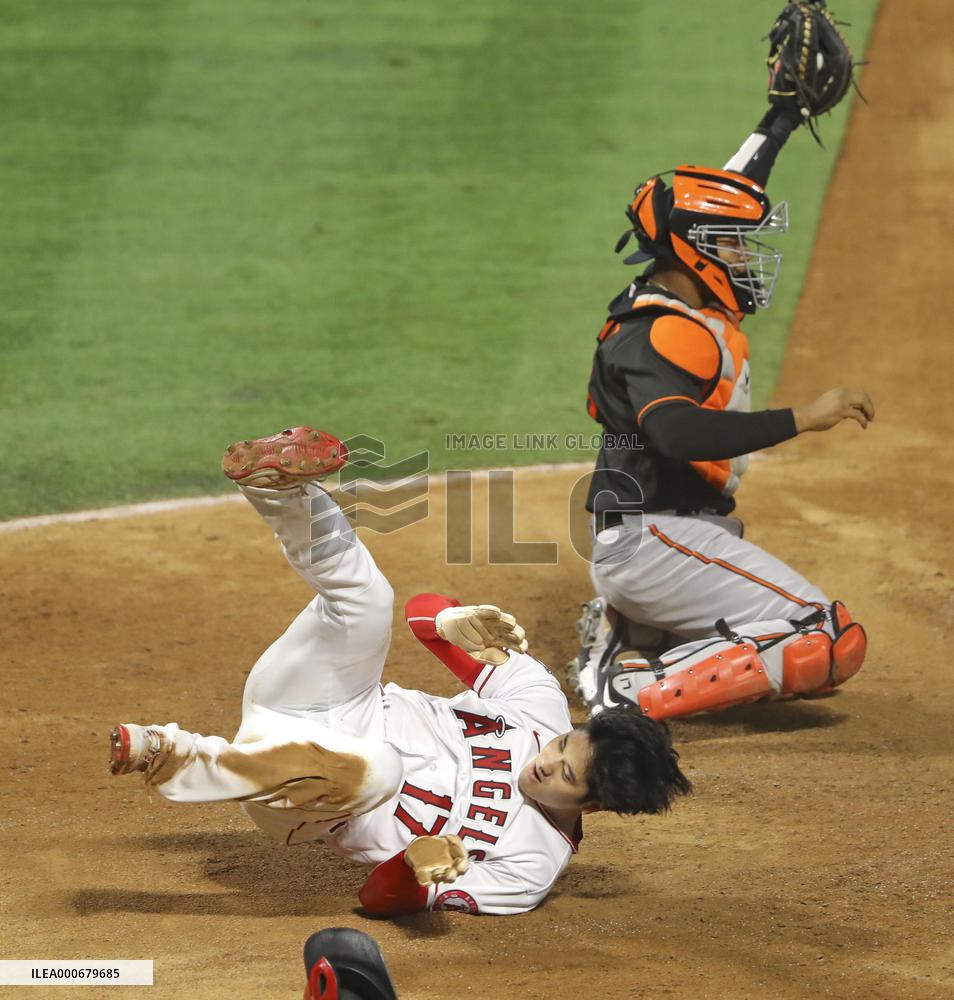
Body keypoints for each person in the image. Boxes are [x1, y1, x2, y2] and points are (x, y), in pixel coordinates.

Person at [108, 426, 691, 917]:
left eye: (563, 774)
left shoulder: (530, 865)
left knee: (377, 770)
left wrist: (413, 872)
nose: (544, 760)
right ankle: (279, 489)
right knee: (368, 598)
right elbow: (421, 614)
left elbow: (377, 900)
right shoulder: (539, 706)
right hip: (334, 697)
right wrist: (452, 622)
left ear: (589, 806)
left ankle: (171, 753)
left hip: (303, 798)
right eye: (564, 744)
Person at [570, 101, 873, 722]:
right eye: (731, 243)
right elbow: (674, 431)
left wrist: (782, 119)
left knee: (787, 649)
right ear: (692, 250)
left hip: (665, 537)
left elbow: (722, 195)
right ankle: (630, 690)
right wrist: (803, 417)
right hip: (655, 542)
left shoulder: (672, 290)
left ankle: (633, 638)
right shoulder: (660, 334)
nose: (743, 254)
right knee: (828, 638)